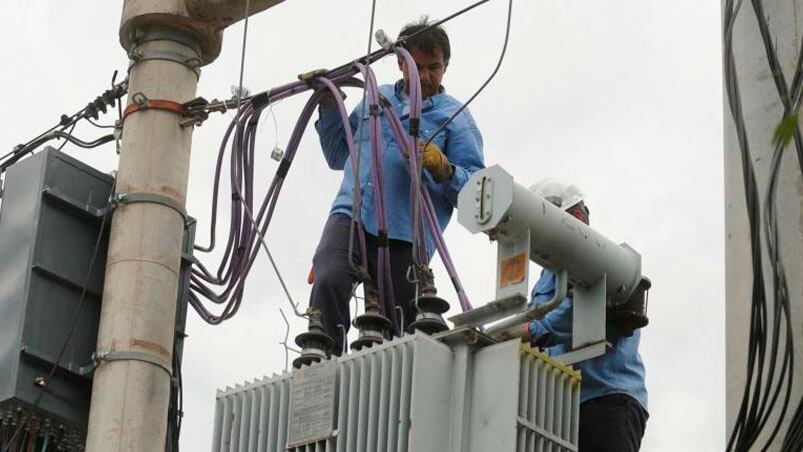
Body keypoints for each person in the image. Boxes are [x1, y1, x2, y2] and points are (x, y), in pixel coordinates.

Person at [310, 17, 485, 355]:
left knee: (400, 323)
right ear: (400, 63)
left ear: (445, 66)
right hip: (351, 213)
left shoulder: (455, 117)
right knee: (329, 278)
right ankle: (323, 365)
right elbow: (337, 154)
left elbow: (476, 196)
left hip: (407, 234)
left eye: (434, 67)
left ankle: (395, 397)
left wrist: (445, 168)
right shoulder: (376, 99)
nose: (425, 77)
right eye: (416, 67)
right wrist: (329, 104)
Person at [525, 179, 648, 452]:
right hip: (561, 405)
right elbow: (528, 321)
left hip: (607, 398)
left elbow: (577, 309)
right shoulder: (546, 279)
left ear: (577, 216)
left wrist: (534, 331)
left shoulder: (608, 262)